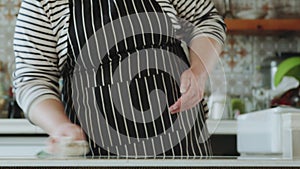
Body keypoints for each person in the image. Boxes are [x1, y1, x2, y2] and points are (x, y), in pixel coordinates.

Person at [13, 0, 226, 157]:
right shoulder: (42, 4)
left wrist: (198, 71)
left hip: (182, 148)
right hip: (99, 154)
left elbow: (205, 20)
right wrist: (59, 127)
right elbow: (32, 79)